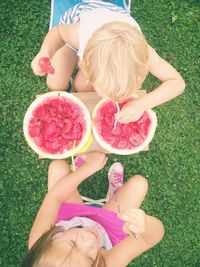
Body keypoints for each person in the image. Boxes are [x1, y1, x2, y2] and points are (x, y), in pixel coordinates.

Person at [31, 0, 185, 123]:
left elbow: (177, 82)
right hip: (75, 35)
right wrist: (45, 52)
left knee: (82, 86)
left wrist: (142, 104)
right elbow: (58, 33)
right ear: (83, 64)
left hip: (105, 27)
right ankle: (69, 91)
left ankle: (77, 89)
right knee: (55, 83)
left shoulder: (142, 52)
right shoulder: (78, 32)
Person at [21, 152, 164, 267]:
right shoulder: (108, 263)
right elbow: (149, 239)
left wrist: (88, 168)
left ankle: (77, 171)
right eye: (90, 260)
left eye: (73, 243)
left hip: (69, 217)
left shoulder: (38, 243)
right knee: (139, 184)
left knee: (57, 167)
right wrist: (145, 224)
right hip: (109, 230)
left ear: (47, 242)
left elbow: (54, 198)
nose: (88, 242)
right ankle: (114, 194)